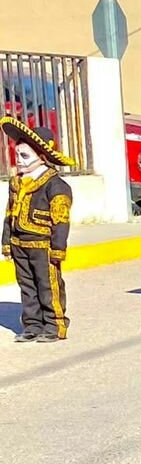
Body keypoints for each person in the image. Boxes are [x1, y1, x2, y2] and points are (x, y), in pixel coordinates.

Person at [1, 115, 74, 343]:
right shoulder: (17, 183)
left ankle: (54, 325)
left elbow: (61, 220)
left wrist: (58, 248)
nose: (19, 161)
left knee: (48, 285)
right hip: (19, 244)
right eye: (17, 155)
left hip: (43, 245)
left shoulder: (56, 185)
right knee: (27, 286)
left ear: (42, 158)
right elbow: (9, 213)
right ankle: (32, 324)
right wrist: (6, 242)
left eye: (25, 156)